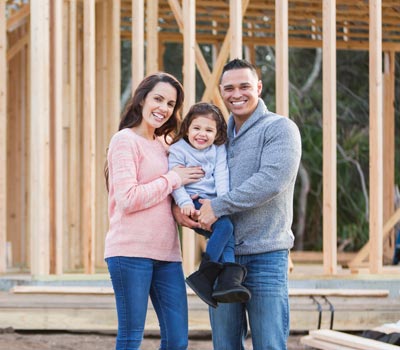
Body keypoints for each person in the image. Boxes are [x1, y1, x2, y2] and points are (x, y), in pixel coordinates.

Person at [173, 59, 302, 350]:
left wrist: (218, 207)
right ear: (221, 91)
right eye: (229, 88)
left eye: (244, 86)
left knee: (269, 345)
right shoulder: (215, 138)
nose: (237, 93)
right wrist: (180, 209)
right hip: (221, 258)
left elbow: (272, 180)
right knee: (225, 346)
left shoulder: (280, 129)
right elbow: (190, 179)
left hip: (265, 256)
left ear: (258, 87)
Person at [104, 72, 204, 350]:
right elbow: (127, 199)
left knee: (177, 340)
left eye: (170, 104)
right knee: (131, 337)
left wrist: (182, 206)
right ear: (141, 99)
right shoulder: (124, 140)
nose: (163, 108)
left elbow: (167, 196)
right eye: (158, 99)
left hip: (167, 254)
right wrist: (174, 179)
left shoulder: (166, 145)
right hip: (130, 252)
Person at [168, 102, 251, 309]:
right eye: (197, 128)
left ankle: (228, 280)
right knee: (226, 228)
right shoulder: (178, 149)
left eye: (209, 130)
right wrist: (185, 202)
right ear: (187, 128)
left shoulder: (218, 149)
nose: (202, 134)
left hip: (213, 202)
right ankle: (207, 271)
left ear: (217, 133)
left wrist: (220, 204)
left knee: (227, 230)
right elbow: (175, 180)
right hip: (192, 198)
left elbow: (222, 176)